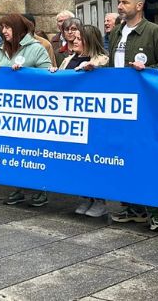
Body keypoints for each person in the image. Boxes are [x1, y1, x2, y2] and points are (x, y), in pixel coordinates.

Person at [106, 0, 158, 231]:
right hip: (120, 106)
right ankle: (132, 206)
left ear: (139, 6)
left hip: (146, 106)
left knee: (148, 155)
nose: (120, 6)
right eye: (119, 2)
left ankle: (155, 210)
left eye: (124, 2)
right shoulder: (116, 33)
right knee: (124, 155)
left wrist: (148, 69)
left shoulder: (155, 32)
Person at [0, 13, 53, 207]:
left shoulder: (36, 48)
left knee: (35, 150)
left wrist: (27, 73)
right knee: (13, 149)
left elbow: (48, 75)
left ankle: (41, 189)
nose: (4, 31)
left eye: (8, 27)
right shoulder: (1, 49)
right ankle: (17, 187)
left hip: (32, 109)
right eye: (3, 28)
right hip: (9, 110)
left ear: (17, 29)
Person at [57, 21, 110, 218]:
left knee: (93, 160)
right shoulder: (68, 59)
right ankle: (85, 197)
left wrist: (92, 67)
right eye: (75, 38)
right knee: (77, 160)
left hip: (93, 120)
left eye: (80, 39)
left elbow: (103, 74)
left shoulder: (101, 60)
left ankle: (99, 200)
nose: (74, 41)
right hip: (71, 118)